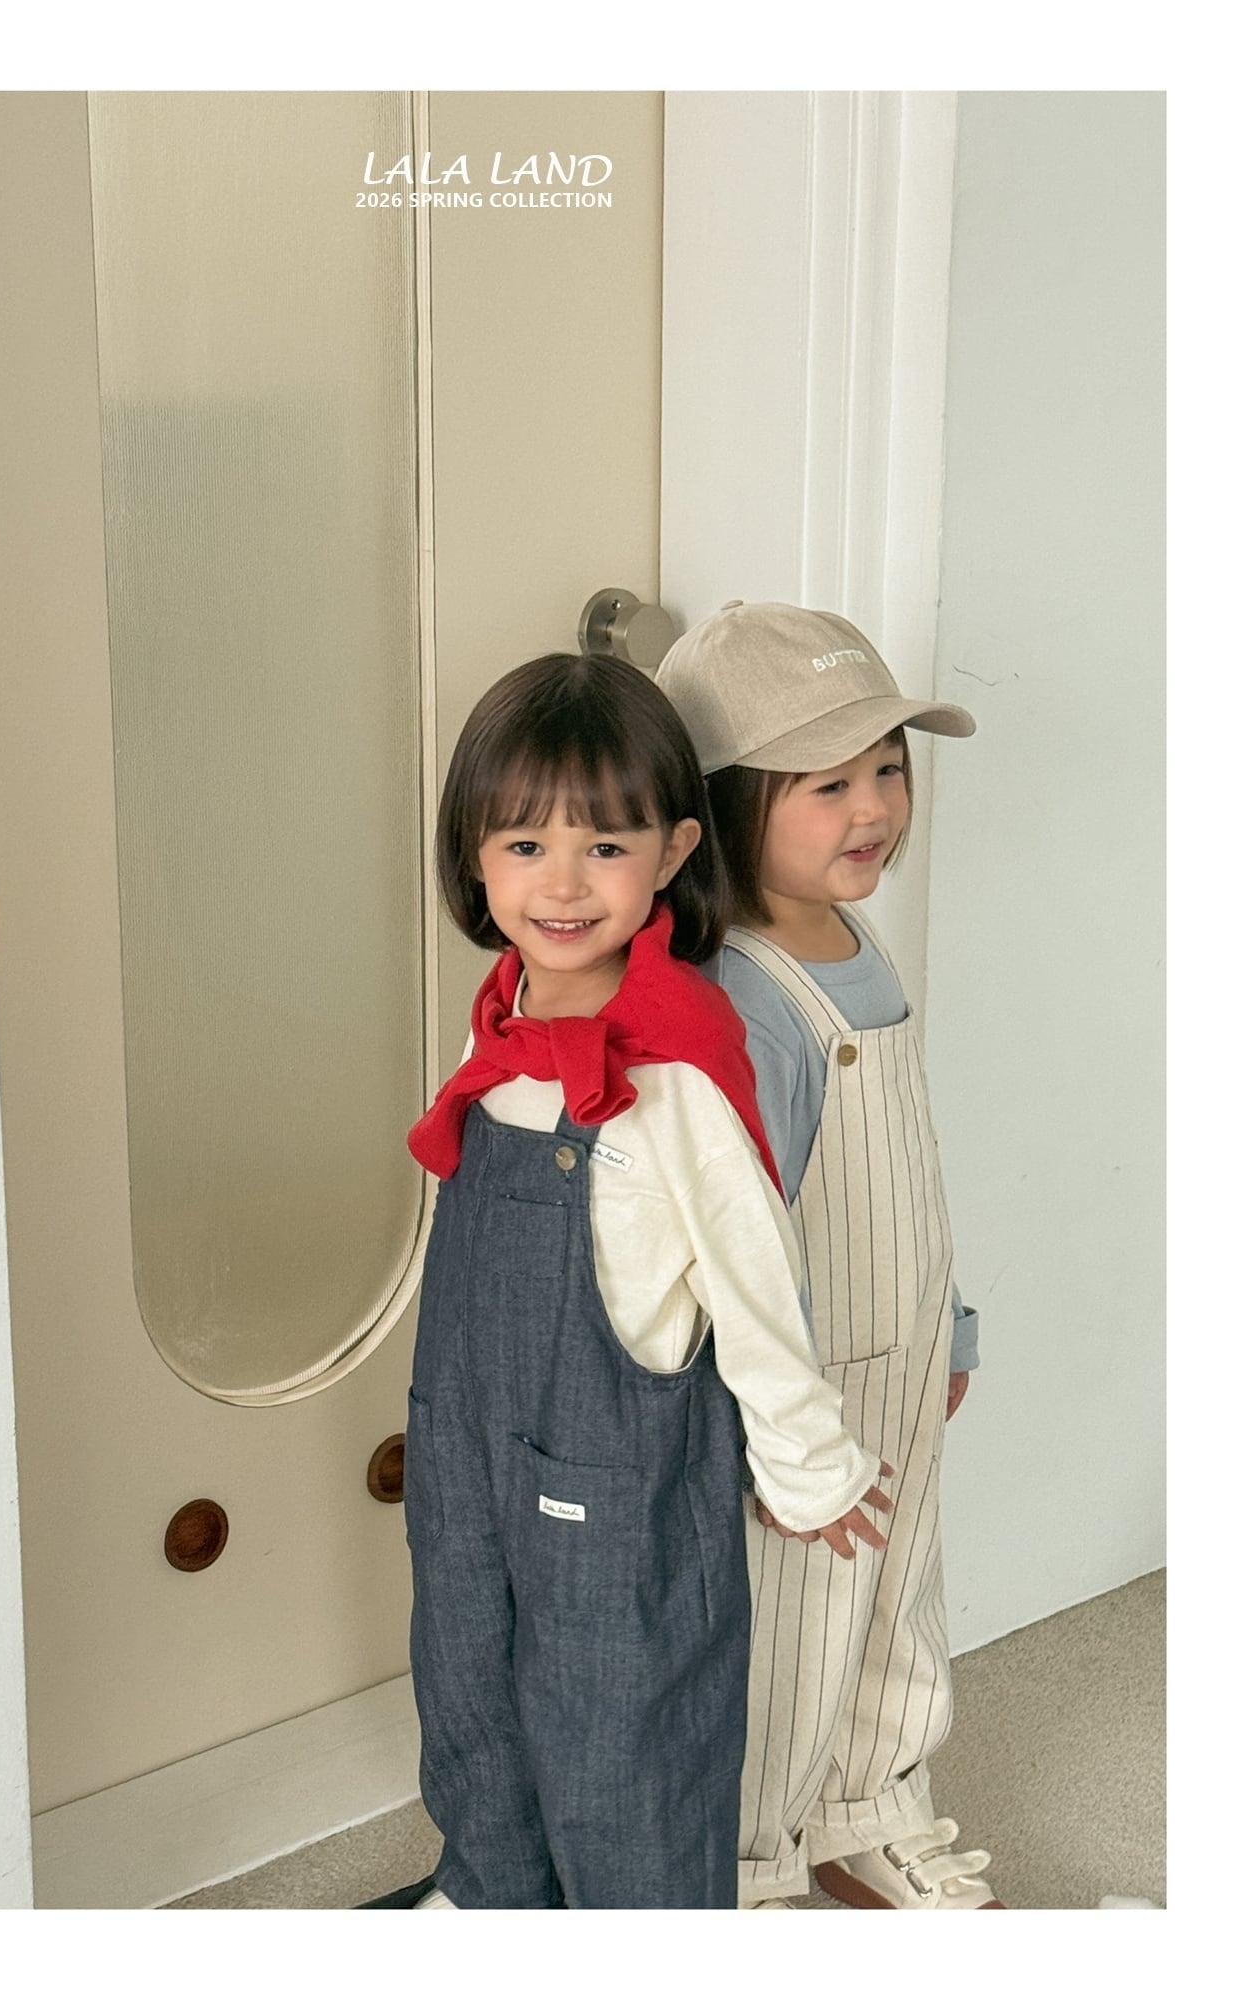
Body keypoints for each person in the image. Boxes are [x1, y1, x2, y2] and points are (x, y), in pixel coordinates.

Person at [402, 650, 890, 1910]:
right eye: (524, 845)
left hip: (614, 1475)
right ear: (473, 856)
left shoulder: (674, 1070)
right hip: (467, 1444)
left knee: (622, 1729)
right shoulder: (500, 1023)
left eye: (603, 847)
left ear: (672, 849)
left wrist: (805, 1461)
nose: (561, 883)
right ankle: (492, 1891)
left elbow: (752, 1277)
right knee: (468, 1683)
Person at [657, 599, 1003, 1911]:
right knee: (793, 1627)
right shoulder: (742, 993)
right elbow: (735, 1229)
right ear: (723, 804)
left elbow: (905, 1164)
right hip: (805, 1380)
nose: (873, 808)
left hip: (895, 1347)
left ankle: (874, 1807)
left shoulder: (855, 941)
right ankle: (743, 1863)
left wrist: (946, 1327)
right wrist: (777, 1419)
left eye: (886, 768)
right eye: (827, 783)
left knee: (896, 1592)